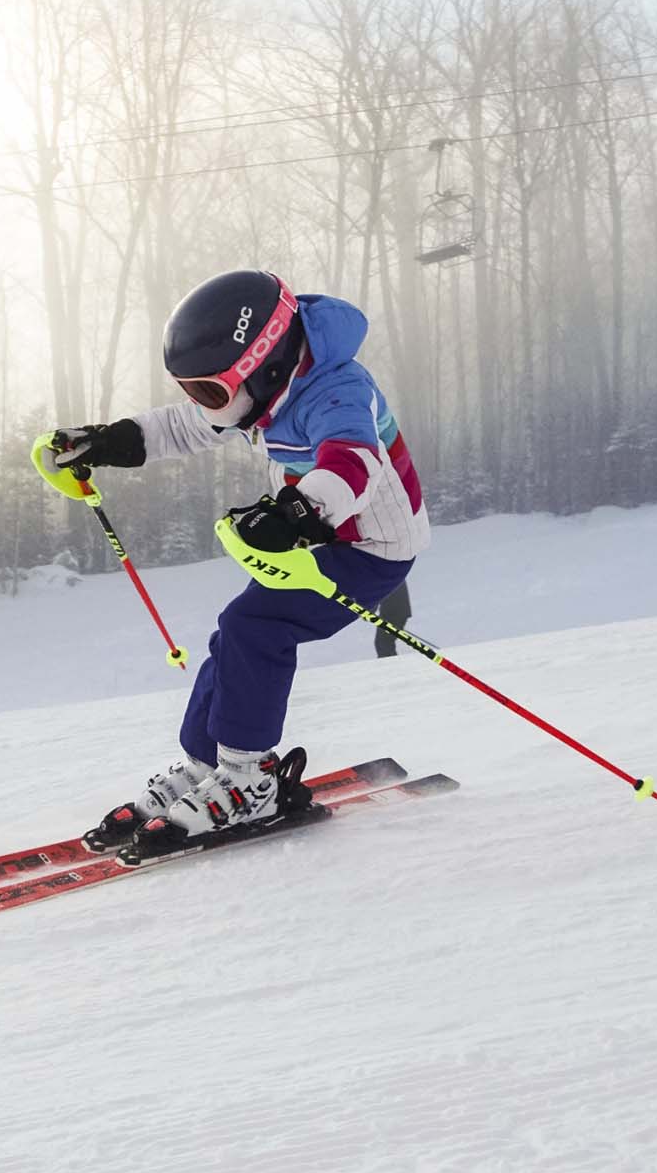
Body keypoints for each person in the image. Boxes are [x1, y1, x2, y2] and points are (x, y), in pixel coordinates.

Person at [51, 269, 430, 848]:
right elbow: (186, 426)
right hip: (324, 538)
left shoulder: (335, 390)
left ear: (266, 363)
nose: (201, 404)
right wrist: (110, 441)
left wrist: (298, 512)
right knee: (233, 637)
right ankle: (210, 763)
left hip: (370, 547)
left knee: (255, 629)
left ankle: (250, 781)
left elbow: (353, 460)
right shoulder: (264, 389)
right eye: (192, 388)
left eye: (210, 391)